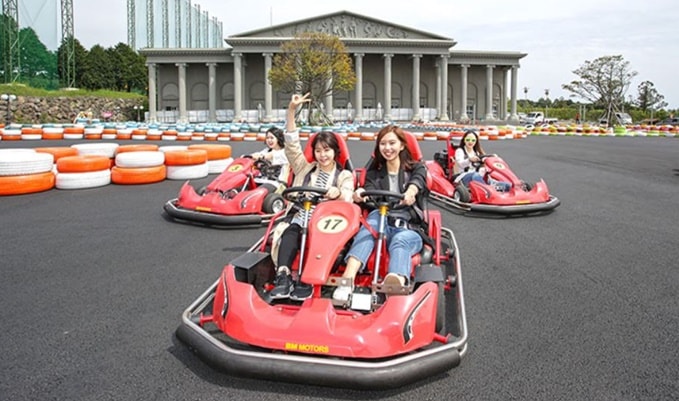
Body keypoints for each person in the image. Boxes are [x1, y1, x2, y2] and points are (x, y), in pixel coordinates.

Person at [269, 93, 354, 300]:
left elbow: (348, 197)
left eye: (326, 150)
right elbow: (291, 145)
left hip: (328, 224)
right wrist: (291, 111)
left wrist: (338, 194)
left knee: (327, 240)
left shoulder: (344, 175)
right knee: (290, 231)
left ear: (335, 152)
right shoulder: (304, 168)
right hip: (301, 216)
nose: (322, 155)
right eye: (318, 151)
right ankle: (283, 275)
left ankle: (309, 279)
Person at [333, 125, 427, 303]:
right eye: (383, 144)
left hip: (407, 227)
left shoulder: (416, 168)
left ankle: (396, 282)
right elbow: (369, 192)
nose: (387, 148)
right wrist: (361, 194)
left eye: (392, 143)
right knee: (372, 222)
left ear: (401, 145)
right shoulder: (374, 174)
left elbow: (418, 181)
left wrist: (411, 192)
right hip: (381, 222)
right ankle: (347, 280)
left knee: (400, 240)